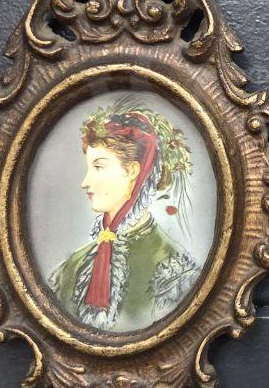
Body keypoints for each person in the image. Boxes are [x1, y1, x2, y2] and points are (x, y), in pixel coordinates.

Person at [47, 102, 198, 332]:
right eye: (89, 168)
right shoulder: (70, 268)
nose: (85, 182)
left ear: (133, 171)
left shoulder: (176, 274)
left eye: (98, 167)